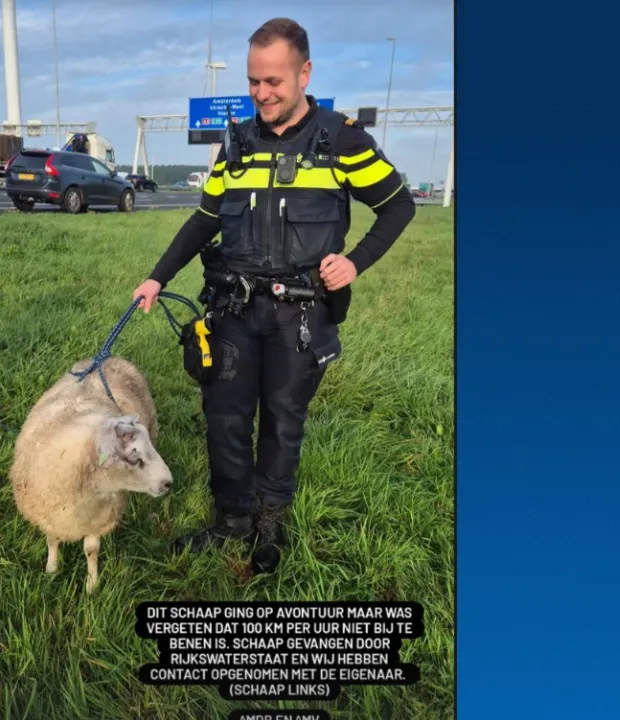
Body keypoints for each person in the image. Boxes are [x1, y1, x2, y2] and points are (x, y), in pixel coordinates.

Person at [131, 17, 416, 574]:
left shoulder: (342, 139)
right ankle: (231, 519)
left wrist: (354, 261)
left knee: (283, 422)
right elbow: (204, 218)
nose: (262, 94)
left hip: (301, 316)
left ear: (304, 73)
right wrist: (157, 276)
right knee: (225, 418)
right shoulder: (236, 144)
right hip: (233, 309)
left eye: (274, 82)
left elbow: (399, 205)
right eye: (253, 82)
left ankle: (268, 524)